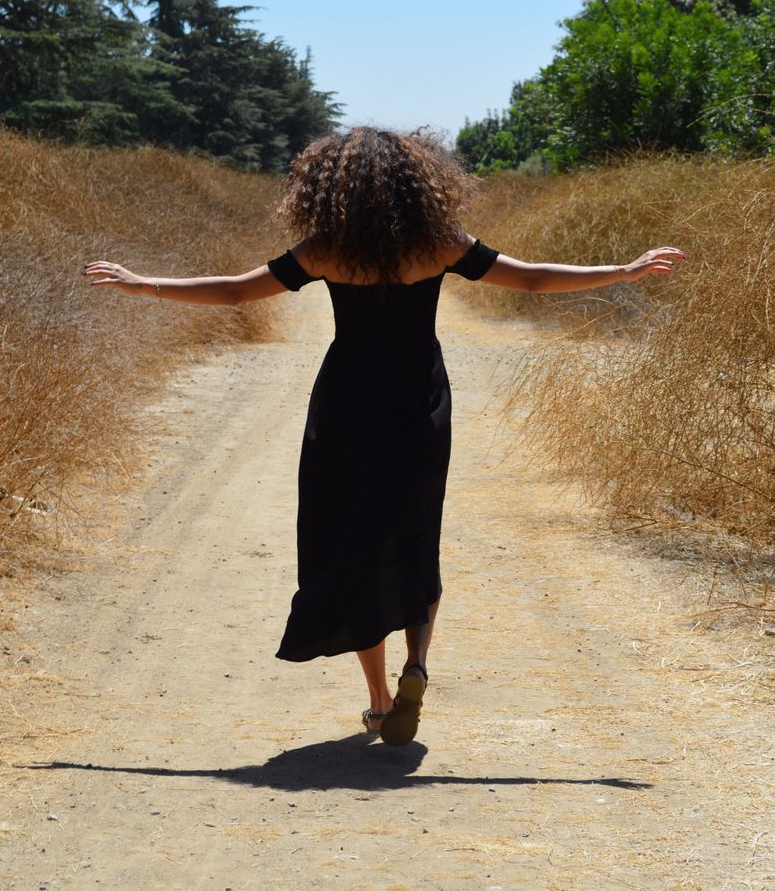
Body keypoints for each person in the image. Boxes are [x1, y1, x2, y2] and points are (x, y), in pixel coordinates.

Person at [81, 126, 683, 747]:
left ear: (332, 188)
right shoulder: (440, 243)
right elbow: (530, 279)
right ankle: (416, 663)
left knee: (349, 543)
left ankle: (377, 700)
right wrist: (623, 270)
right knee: (416, 533)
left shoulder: (325, 249)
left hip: (345, 406)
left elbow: (236, 290)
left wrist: (141, 282)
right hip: (419, 400)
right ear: (416, 184)